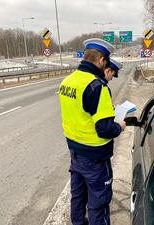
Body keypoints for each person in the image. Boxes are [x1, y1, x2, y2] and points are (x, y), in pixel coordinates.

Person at [58, 38, 126, 225]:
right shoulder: (97, 86)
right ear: (102, 61)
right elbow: (104, 129)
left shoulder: (67, 81)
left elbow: (79, 113)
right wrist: (119, 126)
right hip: (95, 157)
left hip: (75, 151)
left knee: (78, 197)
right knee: (98, 203)